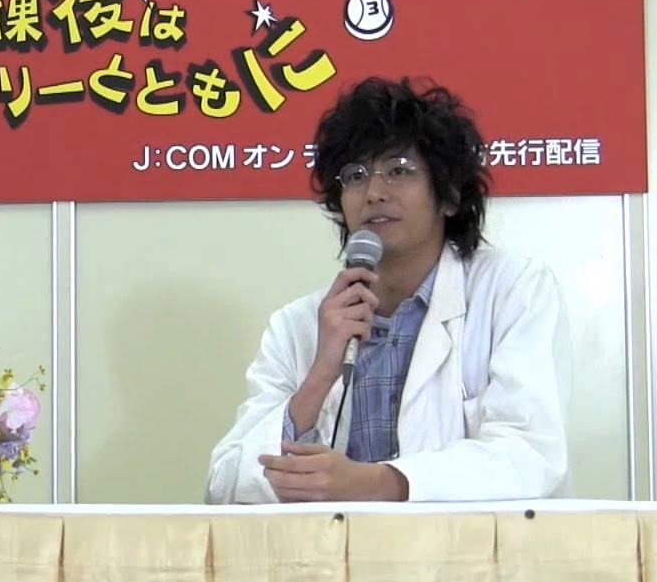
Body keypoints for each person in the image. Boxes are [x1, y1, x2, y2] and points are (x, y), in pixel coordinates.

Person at [205, 76, 571, 504]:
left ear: (450, 195)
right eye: (356, 175)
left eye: (399, 170)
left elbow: (529, 455)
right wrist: (320, 374)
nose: (374, 192)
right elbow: (225, 485)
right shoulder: (298, 325)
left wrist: (378, 482)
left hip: (468, 549)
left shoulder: (514, 291)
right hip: (334, 549)